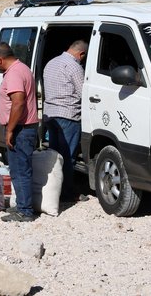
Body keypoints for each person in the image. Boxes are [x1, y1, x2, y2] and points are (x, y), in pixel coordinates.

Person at [0, 42, 38, 222]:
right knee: (19, 169)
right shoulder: (23, 68)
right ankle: (21, 206)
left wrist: (10, 130)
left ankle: (25, 210)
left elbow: (18, 102)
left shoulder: (14, 74)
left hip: (21, 129)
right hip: (24, 127)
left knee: (20, 170)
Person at [43, 40, 88, 201]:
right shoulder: (75, 67)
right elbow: (85, 93)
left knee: (55, 157)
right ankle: (67, 193)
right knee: (68, 158)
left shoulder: (51, 63)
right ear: (81, 54)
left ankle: (53, 190)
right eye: (83, 57)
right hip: (68, 116)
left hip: (50, 115)